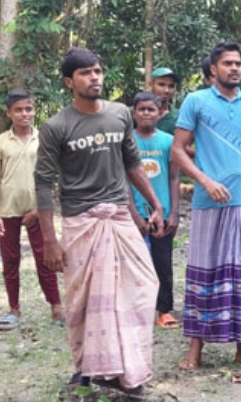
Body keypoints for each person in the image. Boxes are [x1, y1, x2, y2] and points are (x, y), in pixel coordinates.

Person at [35, 48, 164, 395]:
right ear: (69, 82)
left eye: (97, 71)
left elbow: (132, 163)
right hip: (82, 222)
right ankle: (89, 368)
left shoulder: (120, 114)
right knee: (85, 300)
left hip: (119, 217)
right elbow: (43, 183)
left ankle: (125, 369)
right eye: (85, 73)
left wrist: (155, 203)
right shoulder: (56, 126)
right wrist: (50, 241)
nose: (94, 78)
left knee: (142, 285)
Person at [171, 41, 241, 370]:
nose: (235, 68)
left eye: (238, 63)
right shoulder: (196, 101)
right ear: (213, 69)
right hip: (207, 203)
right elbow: (177, 150)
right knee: (204, 271)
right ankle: (195, 350)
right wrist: (205, 181)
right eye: (228, 63)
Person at [0, 89, 62, 331]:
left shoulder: (43, 139)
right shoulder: (3, 142)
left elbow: (53, 175)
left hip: (39, 209)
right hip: (7, 210)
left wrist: (39, 209)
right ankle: (14, 309)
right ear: (9, 113)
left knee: (45, 257)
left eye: (28, 109)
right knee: (10, 260)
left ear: (34, 111)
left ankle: (56, 306)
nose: (24, 114)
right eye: (18, 110)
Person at [127, 92, 181, 330]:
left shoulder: (169, 141)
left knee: (163, 262)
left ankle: (165, 309)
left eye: (151, 109)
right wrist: (133, 213)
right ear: (134, 113)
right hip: (135, 212)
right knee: (133, 262)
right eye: (142, 109)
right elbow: (123, 179)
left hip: (163, 212)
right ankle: (135, 308)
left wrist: (174, 212)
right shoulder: (126, 141)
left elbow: (174, 178)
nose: (146, 113)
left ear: (160, 113)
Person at [149, 67, 180, 134]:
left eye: (171, 86)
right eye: (161, 84)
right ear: (151, 85)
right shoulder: (135, 114)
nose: (166, 90)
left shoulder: (179, 117)